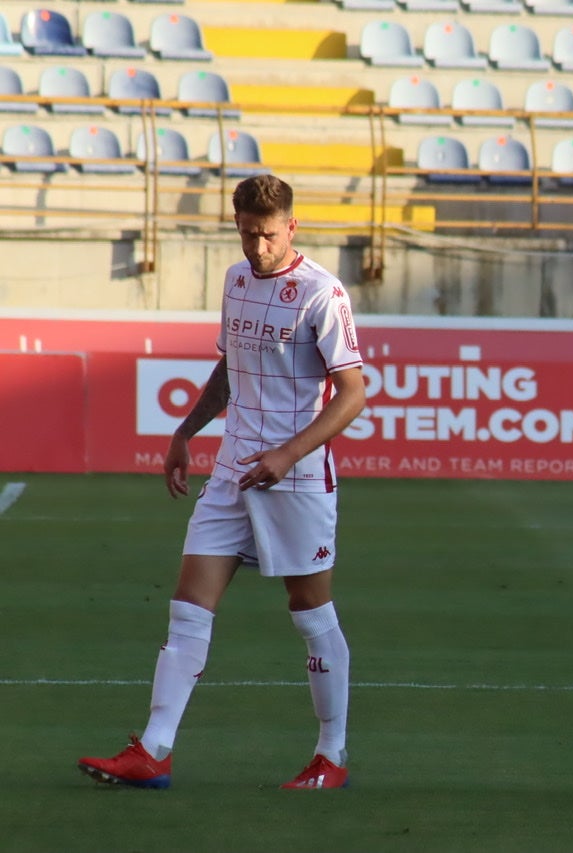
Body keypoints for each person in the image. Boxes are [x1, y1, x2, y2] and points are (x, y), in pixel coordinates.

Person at [77, 175, 366, 790]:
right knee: (188, 606)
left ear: (291, 227)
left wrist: (287, 454)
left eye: (266, 235)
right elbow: (233, 366)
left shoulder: (322, 292)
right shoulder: (236, 281)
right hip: (233, 470)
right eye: (245, 233)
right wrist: (186, 432)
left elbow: (354, 393)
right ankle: (154, 750)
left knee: (311, 612)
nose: (256, 247)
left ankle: (332, 755)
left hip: (297, 478)